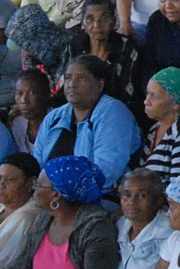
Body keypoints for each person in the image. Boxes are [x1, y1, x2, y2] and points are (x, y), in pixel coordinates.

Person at [33, 56, 140, 192]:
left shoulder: (113, 112)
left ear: (100, 84)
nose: (72, 84)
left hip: (98, 200)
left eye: (81, 78)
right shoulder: (55, 117)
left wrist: (65, 191)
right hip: (50, 197)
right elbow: (37, 163)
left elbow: (106, 172)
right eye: (68, 78)